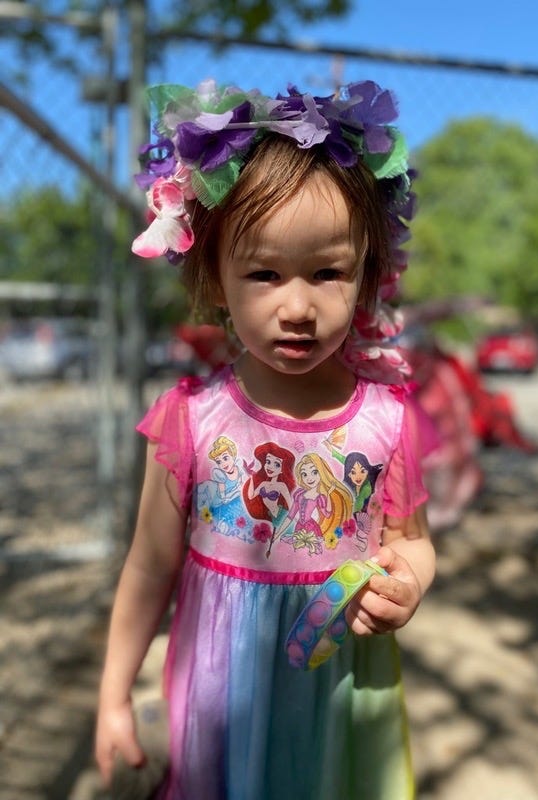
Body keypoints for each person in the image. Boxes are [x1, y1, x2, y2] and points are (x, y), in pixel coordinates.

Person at [95, 77, 436, 800]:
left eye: (328, 272)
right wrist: (113, 697)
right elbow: (150, 568)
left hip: (342, 699)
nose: (299, 306)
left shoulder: (387, 421)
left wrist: (410, 581)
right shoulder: (192, 422)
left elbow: (411, 537)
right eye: (264, 273)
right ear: (215, 277)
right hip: (221, 704)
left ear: (368, 275)